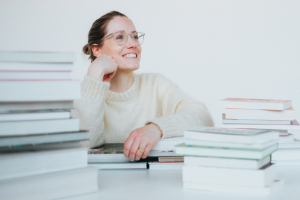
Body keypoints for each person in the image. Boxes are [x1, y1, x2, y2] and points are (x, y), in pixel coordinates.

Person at [71, 11, 214, 161]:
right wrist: (94, 77)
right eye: (120, 37)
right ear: (97, 50)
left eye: (134, 36)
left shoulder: (155, 84)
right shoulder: (84, 95)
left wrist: (157, 128)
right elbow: (82, 145)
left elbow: (203, 117)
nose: (133, 44)